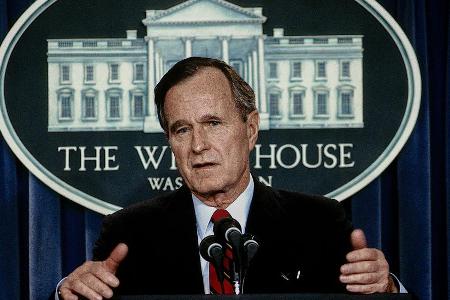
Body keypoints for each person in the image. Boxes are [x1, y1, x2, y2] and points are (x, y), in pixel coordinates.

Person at [56, 57, 402, 299]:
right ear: (170, 142)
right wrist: (70, 294)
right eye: (182, 129)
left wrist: (384, 288)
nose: (198, 145)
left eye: (213, 123)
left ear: (250, 130)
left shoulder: (318, 221)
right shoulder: (127, 234)